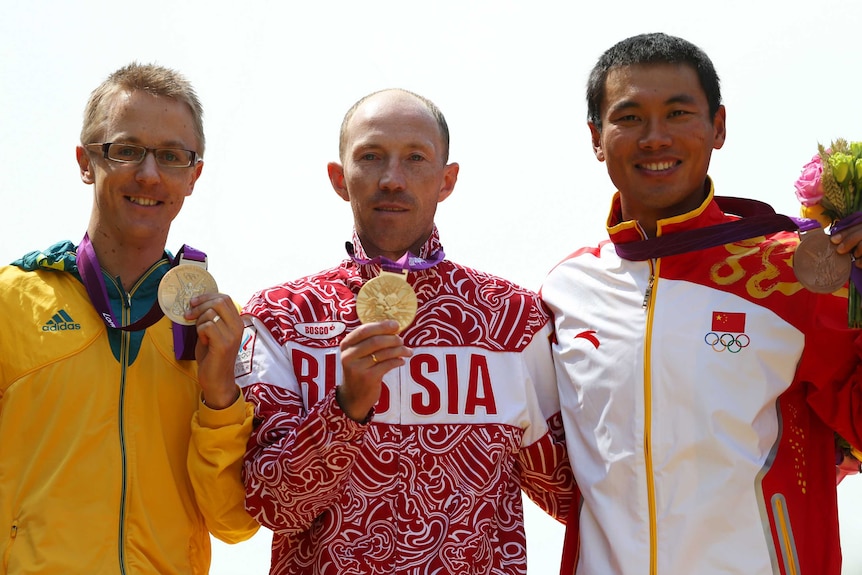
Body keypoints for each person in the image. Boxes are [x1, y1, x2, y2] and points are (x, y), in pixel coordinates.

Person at [541, 32, 862, 575]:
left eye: (678, 112)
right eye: (630, 117)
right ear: (596, 137)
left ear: (718, 127)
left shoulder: (796, 272)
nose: (655, 137)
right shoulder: (565, 290)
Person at [236, 88, 573, 575]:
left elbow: (573, 495)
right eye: (371, 157)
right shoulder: (279, 317)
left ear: (447, 179)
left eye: (415, 158)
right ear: (339, 177)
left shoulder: (514, 320)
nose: (392, 180)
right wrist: (345, 408)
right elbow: (271, 505)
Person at [0, 63, 258, 574]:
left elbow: (233, 523)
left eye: (171, 156)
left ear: (194, 175)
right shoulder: (11, 303)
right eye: (125, 150)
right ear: (85, 161)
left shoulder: (219, 327)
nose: (148, 174)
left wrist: (219, 399)